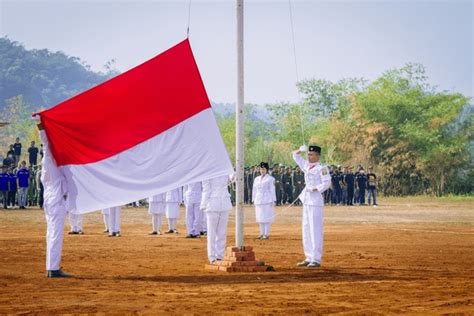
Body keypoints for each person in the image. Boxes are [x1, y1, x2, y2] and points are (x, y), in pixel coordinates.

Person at [39, 127, 71, 278]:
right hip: (56, 201)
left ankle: (51, 265)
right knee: (55, 233)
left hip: (51, 200)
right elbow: (46, 146)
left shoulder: (48, 170)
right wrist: (41, 126)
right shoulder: (50, 164)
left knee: (51, 232)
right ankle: (53, 268)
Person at [293, 145, 331, 268]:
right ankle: (308, 257)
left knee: (315, 229)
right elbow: (295, 156)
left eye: (311, 154)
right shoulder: (306, 166)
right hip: (307, 200)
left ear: (317, 156)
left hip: (315, 200)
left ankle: (316, 258)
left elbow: (327, 182)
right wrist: (300, 149)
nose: (309, 156)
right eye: (308, 154)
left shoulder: (322, 168)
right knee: (306, 229)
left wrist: (316, 188)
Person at [200, 175, 233, 263]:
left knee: (222, 232)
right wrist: (204, 204)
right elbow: (206, 189)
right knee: (212, 232)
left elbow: (233, 178)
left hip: (224, 203)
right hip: (212, 204)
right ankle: (212, 257)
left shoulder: (225, 170)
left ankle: (220, 256)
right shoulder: (208, 172)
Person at [252, 162, 276, 240]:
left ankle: (266, 234)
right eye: (261, 169)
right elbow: (254, 190)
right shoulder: (256, 179)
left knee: (266, 217)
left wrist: (273, 200)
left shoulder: (270, 179)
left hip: (267, 199)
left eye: (264, 169)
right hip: (258, 199)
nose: (262, 170)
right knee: (260, 217)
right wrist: (253, 199)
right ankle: (261, 233)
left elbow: (272, 190)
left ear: (267, 170)